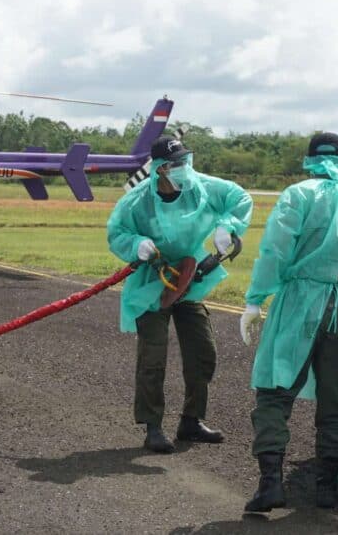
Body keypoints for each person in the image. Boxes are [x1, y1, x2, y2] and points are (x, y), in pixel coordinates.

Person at [239, 132, 338, 511]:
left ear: (309, 159)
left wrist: (255, 299)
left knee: (275, 392)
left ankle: (270, 485)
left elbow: (276, 250)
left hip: (298, 304)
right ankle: (327, 487)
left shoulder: (297, 195)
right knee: (336, 400)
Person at [107, 135, 253, 453]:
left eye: (186, 160)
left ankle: (191, 421)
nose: (184, 168)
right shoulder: (136, 202)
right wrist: (135, 245)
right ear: (160, 169)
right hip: (152, 282)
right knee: (153, 357)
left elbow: (240, 199)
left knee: (203, 352)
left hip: (189, 278)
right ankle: (153, 427)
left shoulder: (202, 187)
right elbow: (116, 232)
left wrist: (228, 226)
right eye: (176, 163)